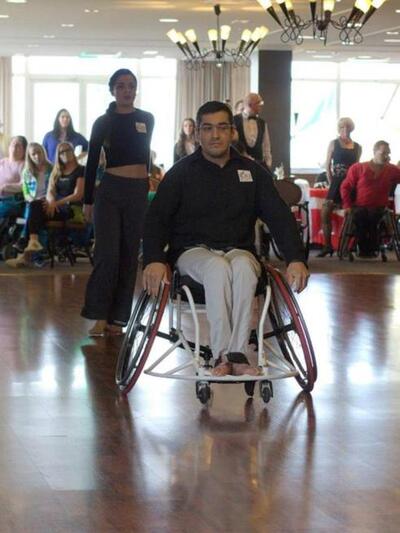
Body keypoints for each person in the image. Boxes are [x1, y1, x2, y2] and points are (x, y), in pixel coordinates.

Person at [143, 101, 308, 377]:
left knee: (243, 267)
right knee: (216, 267)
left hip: (239, 250)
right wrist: (154, 259)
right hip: (193, 252)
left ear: (232, 132)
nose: (215, 135)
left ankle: (237, 354)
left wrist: (295, 258)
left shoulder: (252, 172)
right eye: (208, 128)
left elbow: (279, 216)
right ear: (198, 133)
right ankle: (222, 352)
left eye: (222, 128)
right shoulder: (181, 173)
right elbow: (156, 219)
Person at [81, 68, 154, 337]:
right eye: (121, 86)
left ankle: (118, 319)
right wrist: (88, 201)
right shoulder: (104, 122)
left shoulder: (147, 118)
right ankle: (99, 315)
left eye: (131, 85)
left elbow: (144, 155)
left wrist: (147, 182)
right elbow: (91, 162)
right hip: (110, 190)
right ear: (112, 90)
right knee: (107, 255)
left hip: (138, 191)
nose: (127, 90)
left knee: (129, 256)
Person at [7, 142, 84, 268]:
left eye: (68, 150)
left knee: (35, 210)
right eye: (61, 152)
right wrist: (50, 201)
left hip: (70, 209)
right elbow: (50, 191)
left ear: (72, 151)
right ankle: (33, 244)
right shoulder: (57, 171)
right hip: (53, 207)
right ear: (58, 155)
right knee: (35, 207)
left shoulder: (80, 170)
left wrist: (54, 203)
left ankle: (26, 251)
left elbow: (78, 195)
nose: (65, 154)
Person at [340, 140, 400, 257]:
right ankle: (365, 249)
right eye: (383, 153)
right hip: (360, 207)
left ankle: (370, 249)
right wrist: (347, 205)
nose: (386, 156)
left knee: (374, 216)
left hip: (380, 208)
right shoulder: (358, 168)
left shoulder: (391, 170)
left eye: (388, 153)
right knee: (362, 216)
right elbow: (345, 187)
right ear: (374, 151)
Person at [318, 117, 362, 257]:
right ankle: (327, 246)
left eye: (347, 127)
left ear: (351, 128)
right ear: (339, 129)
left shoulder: (357, 147)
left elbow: (357, 167)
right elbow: (327, 165)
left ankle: (348, 246)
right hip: (336, 181)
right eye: (342, 127)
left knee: (351, 213)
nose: (345, 129)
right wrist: (331, 182)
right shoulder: (333, 143)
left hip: (350, 183)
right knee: (325, 211)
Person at [14, 142, 53, 251]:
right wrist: (33, 199)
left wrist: (47, 199)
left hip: (48, 202)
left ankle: (24, 239)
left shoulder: (51, 168)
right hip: (33, 202)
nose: (37, 156)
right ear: (29, 156)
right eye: (33, 154)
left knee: (33, 210)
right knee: (33, 206)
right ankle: (33, 244)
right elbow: (26, 193)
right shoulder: (27, 172)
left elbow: (55, 189)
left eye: (39, 152)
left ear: (43, 153)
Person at [233, 93, 272, 168]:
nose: (261, 105)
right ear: (250, 105)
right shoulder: (234, 120)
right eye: (259, 103)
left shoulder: (262, 123)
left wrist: (268, 164)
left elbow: (266, 147)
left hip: (258, 166)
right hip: (239, 165)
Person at [0, 136, 27, 219]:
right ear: (9, 147)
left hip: (13, 201)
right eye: (13, 144)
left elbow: (24, 185)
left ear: (24, 150)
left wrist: (4, 187)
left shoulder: (24, 165)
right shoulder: (2, 162)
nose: (14, 147)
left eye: (18, 145)